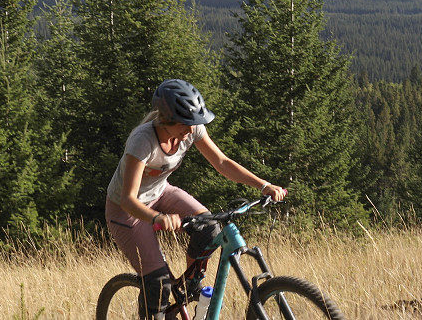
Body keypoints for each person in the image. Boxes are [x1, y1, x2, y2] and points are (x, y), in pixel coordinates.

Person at [105, 79, 286, 319]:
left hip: (161, 193)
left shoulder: (192, 128)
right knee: (158, 282)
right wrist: (158, 218)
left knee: (209, 227)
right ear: (166, 121)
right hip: (126, 211)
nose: (191, 130)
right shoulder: (142, 141)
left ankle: (191, 287)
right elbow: (128, 198)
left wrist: (263, 185)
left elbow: (222, 163)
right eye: (185, 124)